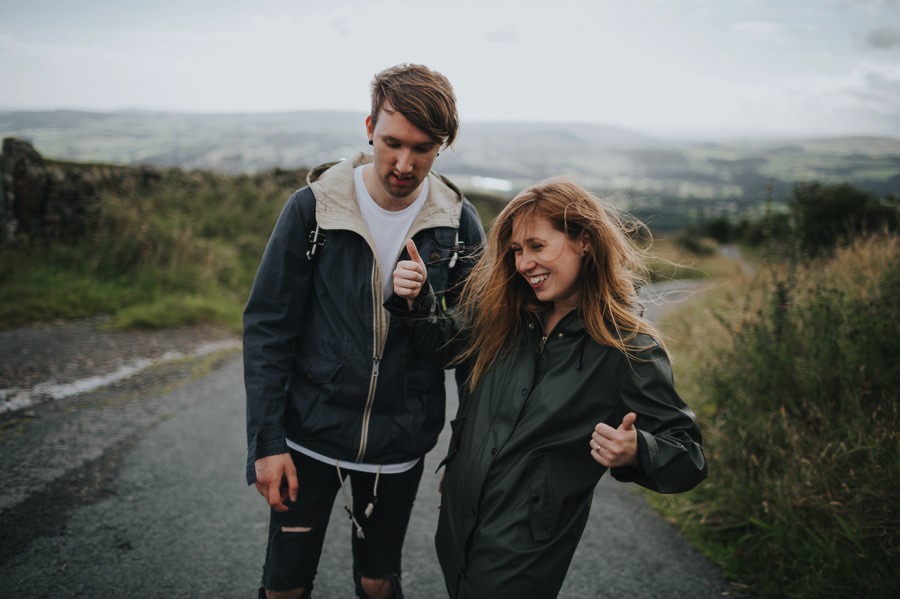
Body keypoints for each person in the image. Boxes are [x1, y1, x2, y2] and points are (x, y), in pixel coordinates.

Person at [391, 177, 708, 598]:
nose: (523, 264)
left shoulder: (628, 347)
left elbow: (689, 456)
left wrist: (638, 450)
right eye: (517, 251)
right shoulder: (505, 314)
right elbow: (444, 343)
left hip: (526, 543)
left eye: (537, 246)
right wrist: (417, 299)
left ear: (585, 242)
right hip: (457, 518)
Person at [243, 63, 486, 599]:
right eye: (393, 142)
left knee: (378, 584)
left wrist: (466, 449)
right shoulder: (313, 209)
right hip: (308, 437)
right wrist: (266, 441)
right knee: (285, 588)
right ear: (369, 126)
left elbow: (472, 349)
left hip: (400, 445)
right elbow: (268, 328)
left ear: (442, 146)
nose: (404, 163)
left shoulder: (459, 223)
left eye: (423, 148)